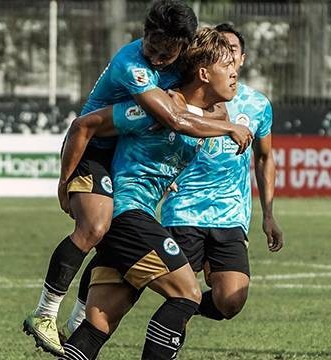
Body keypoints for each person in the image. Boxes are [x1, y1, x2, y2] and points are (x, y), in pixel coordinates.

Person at [23, 0, 253, 356]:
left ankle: (70, 324)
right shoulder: (151, 103)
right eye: (227, 65)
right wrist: (65, 182)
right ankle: (44, 312)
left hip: (133, 210)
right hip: (123, 206)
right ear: (204, 74)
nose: (236, 72)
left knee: (99, 322)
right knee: (187, 293)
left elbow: (182, 130)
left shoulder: (192, 105)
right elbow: (89, 125)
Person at [60, 23, 284, 336]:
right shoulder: (170, 100)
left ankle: (156, 312)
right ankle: (79, 310)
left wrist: (269, 215)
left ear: (242, 59)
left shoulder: (252, 105)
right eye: (224, 52)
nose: (230, 58)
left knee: (227, 300)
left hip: (230, 213)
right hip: (179, 209)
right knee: (162, 286)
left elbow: (261, 155)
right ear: (205, 65)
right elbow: (170, 125)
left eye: (233, 52)